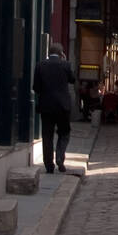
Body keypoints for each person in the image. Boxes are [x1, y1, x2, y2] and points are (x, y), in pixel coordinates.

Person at [32, 42, 75, 174]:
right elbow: (72, 80)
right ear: (61, 53)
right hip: (62, 106)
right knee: (64, 133)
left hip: (46, 106)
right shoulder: (65, 65)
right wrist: (66, 61)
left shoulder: (40, 65)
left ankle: (49, 165)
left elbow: (36, 87)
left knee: (47, 136)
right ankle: (60, 158)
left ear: (49, 53)